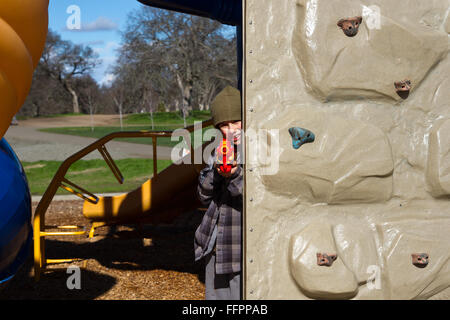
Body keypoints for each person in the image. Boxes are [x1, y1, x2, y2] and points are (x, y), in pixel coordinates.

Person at [194, 85, 243, 300]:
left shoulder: (262, 148)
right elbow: (203, 196)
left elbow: (252, 196)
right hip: (214, 242)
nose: (231, 129)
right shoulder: (218, 150)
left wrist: (235, 174)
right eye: (224, 124)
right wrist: (216, 172)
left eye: (236, 122)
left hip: (240, 245)